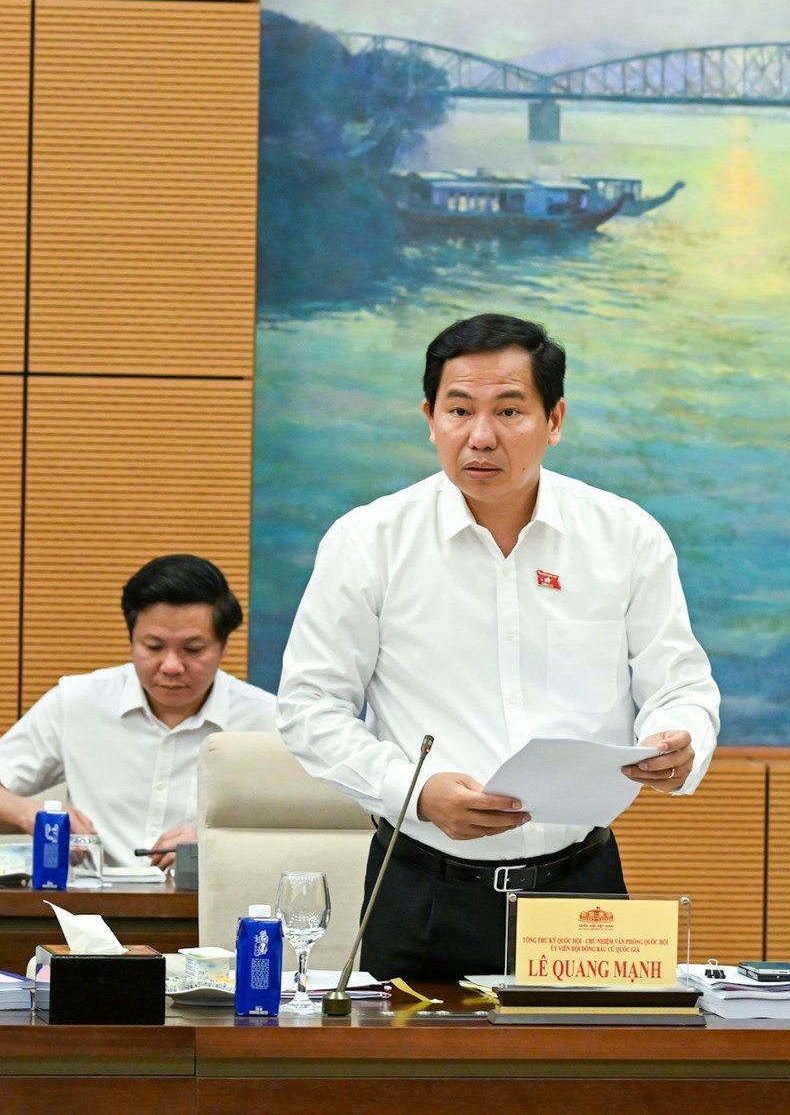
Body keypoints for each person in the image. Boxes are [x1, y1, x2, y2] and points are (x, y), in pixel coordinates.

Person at [277, 313, 722, 979]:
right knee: (415, 1085)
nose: (480, 437)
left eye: (510, 411)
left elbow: (680, 684)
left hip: (581, 891)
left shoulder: (625, 537)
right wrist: (416, 791)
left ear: (555, 419)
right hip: (422, 888)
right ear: (430, 417)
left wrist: (677, 738)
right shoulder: (369, 542)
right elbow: (309, 707)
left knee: (594, 1084)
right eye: (459, 410)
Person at [0, 554, 275, 869]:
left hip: (207, 907)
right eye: (153, 647)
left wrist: (215, 841)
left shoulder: (266, 720)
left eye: (193, 650)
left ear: (224, 646)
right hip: (93, 907)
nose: (171, 666)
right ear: (131, 641)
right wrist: (34, 816)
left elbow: (306, 832)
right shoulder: (77, 701)